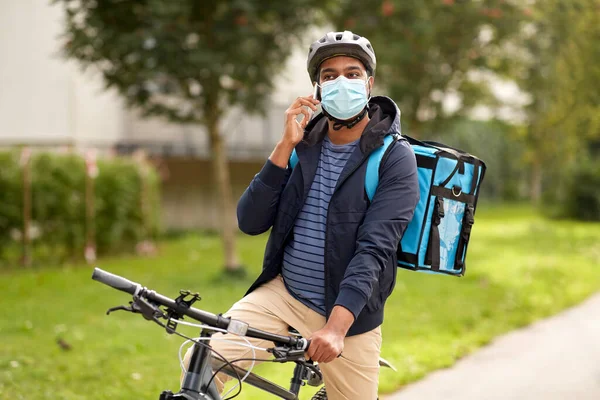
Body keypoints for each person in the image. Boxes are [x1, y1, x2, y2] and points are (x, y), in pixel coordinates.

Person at [184, 30, 420, 399]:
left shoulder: (394, 158)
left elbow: (374, 250)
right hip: (284, 295)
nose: (341, 81)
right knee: (201, 365)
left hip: (350, 316)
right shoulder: (302, 146)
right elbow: (250, 222)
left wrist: (337, 329)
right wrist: (284, 146)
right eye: (329, 75)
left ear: (369, 83)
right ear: (318, 88)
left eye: (352, 73)